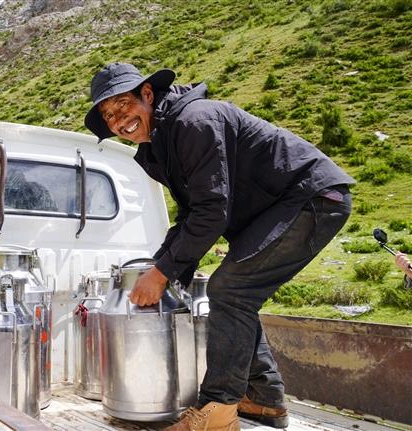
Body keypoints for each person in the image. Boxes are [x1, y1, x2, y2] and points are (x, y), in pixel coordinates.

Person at [85, 63, 354, 431]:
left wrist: (162, 274)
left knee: (230, 290)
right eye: (109, 115)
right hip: (273, 209)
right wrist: (161, 266)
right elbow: (190, 213)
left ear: (147, 94)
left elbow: (212, 211)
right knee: (237, 294)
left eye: (123, 105)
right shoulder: (156, 148)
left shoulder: (194, 120)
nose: (119, 121)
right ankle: (263, 398)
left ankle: (217, 410)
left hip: (311, 198)